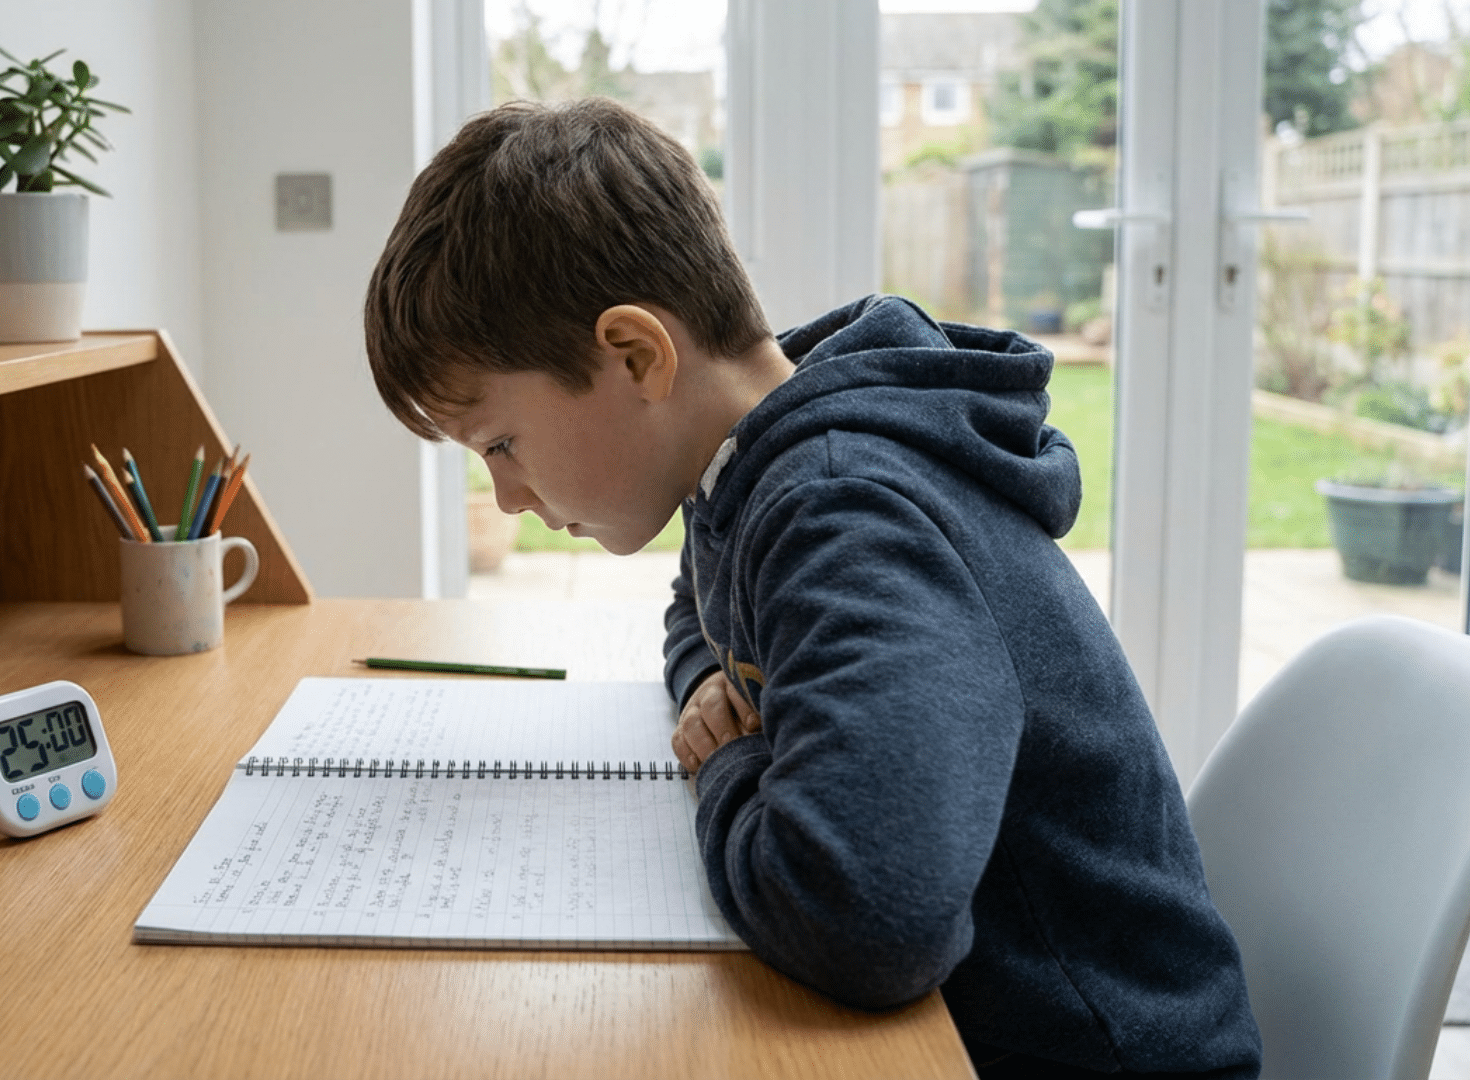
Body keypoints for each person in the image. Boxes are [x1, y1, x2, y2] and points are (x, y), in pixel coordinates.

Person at [362, 97, 1261, 1078]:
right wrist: (715, 677)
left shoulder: (844, 506)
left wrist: (726, 773)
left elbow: (865, 920)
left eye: (501, 442)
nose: (505, 494)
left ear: (634, 355)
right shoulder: (750, 458)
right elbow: (695, 604)